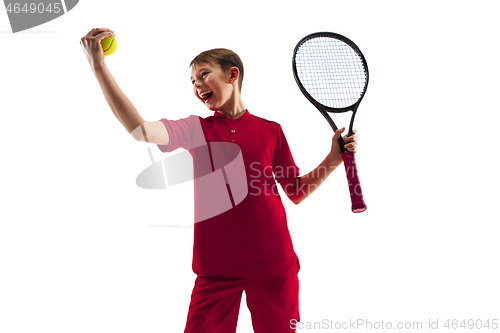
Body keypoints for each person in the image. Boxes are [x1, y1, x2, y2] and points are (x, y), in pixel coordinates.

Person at [80, 27, 359, 333]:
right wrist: (98, 65)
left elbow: (296, 191)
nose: (197, 84)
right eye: (192, 81)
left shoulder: (271, 131)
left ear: (232, 75)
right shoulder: (196, 129)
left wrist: (333, 158)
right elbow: (140, 130)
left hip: (274, 266)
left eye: (203, 74)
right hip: (215, 271)